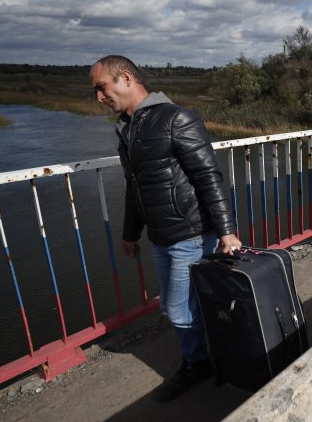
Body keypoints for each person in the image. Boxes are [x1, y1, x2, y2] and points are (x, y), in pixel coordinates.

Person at [90, 55, 242, 401]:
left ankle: (199, 361)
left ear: (125, 78)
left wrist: (226, 231)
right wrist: (130, 234)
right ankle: (210, 356)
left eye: (102, 88)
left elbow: (209, 178)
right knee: (184, 306)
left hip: (189, 234)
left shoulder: (176, 118)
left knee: (176, 308)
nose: (99, 97)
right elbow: (135, 188)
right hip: (161, 237)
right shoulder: (128, 128)